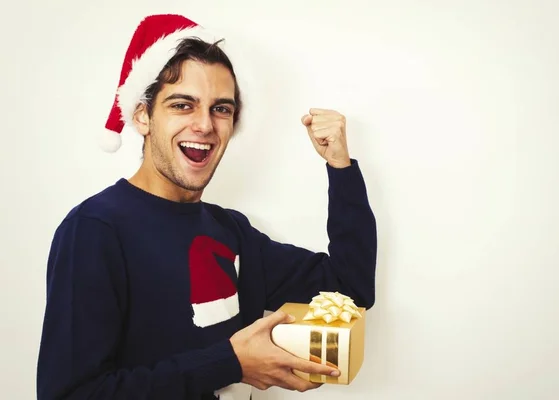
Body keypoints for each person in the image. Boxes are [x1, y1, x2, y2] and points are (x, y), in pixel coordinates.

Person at [36, 13, 377, 400]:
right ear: (142, 115)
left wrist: (341, 166)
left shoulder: (231, 232)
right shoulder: (95, 230)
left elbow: (351, 288)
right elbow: (70, 394)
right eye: (183, 105)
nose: (204, 125)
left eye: (221, 109)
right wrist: (231, 362)